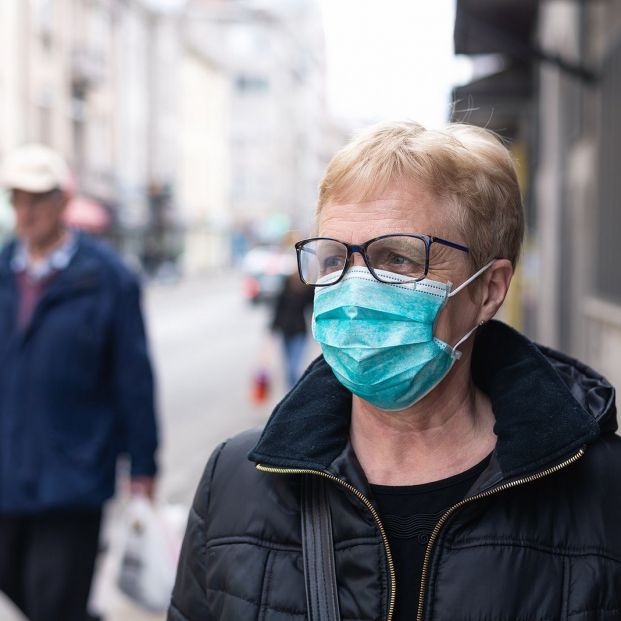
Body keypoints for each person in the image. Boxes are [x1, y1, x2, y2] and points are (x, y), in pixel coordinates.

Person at [168, 121, 621, 621]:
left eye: (399, 258)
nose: (356, 291)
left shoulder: (599, 490)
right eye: (336, 258)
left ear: (489, 290)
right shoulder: (236, 483)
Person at [0, 144, 159, 621]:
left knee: (55, 602)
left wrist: (144, 467)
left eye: (38, 198)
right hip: (6, 472)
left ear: (63, 202)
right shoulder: (2, 269)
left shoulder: (107, 278)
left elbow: (134, 379)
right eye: (18, 199)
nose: (26, 211)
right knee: (14, 585)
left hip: (73, 476)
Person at [270, 271, 315, 389]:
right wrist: (273, 328)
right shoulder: (285, 286)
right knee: (288, 366)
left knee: (294, 367)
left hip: (300, 332)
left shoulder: (307, 290)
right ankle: (290, 391)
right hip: (285, 331)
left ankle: (294, 390)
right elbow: (278, 309)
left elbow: (314, 307)